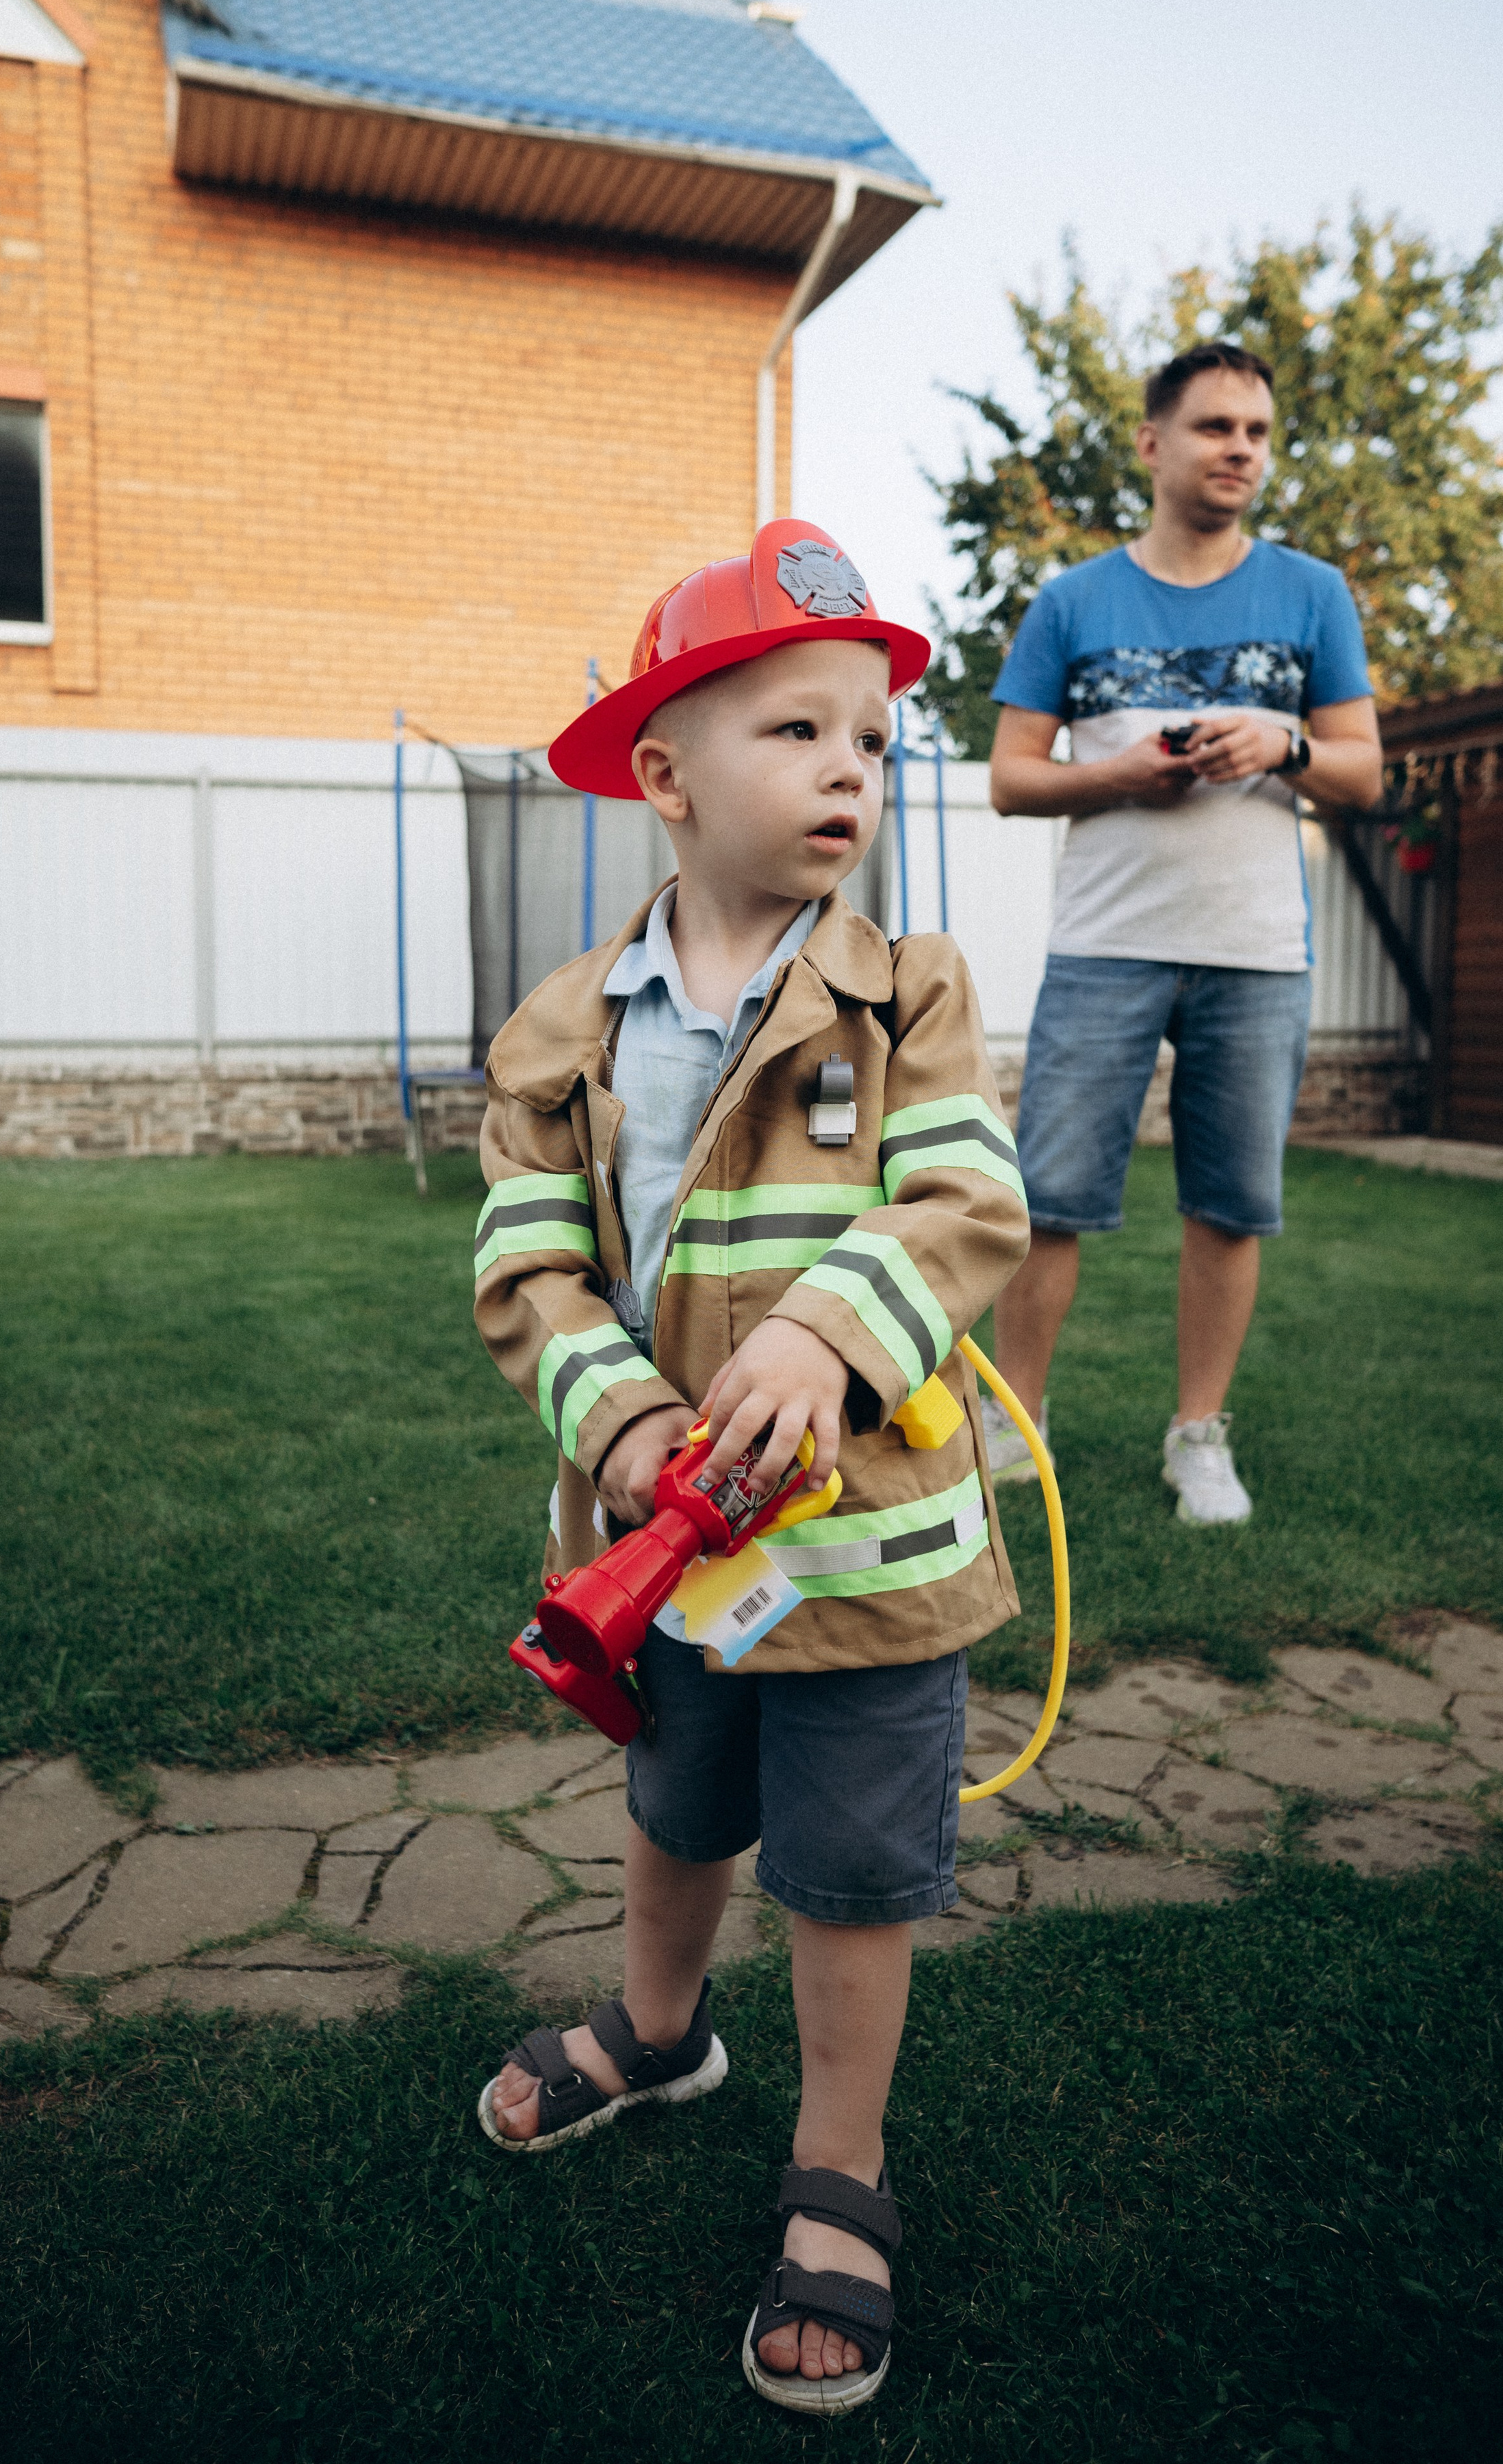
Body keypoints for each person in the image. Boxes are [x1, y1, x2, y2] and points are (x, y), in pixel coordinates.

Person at [468, 520, 1029, 2414]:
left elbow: (969, 1201)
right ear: (662, 772)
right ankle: (657, 2026)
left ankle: (843, 2164)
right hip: (669, 1551)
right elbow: (524, 1259)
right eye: (796, 730)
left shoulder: (907, 993)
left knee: (855, 1864)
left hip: (864, 1553)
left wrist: (824, 1329)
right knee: (675, 1794)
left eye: (869, 740)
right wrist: (617, 1414)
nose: (850, 771)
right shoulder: (562, 1035)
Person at [985, 342, 1383, 1522]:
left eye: (1257, 433)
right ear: (1154, 444)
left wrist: (1285, 746)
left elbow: (1363, 771)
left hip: (1258, 953)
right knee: (1048, 1196)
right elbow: (1011, 776)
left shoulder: (1311, 593)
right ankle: (1017, 1429)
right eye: (1216, 428)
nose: (1241, 452)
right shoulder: (1073, 601)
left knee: (1231, 1202)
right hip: (1105, 944)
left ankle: (1198, 1439)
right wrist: (1116, 777)